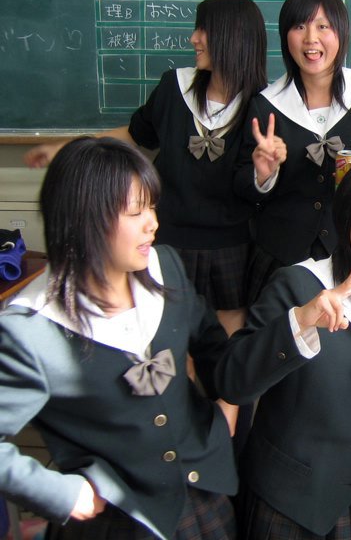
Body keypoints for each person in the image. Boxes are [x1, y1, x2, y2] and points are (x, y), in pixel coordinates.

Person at [0, 137, 237, 539]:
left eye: (152, 207)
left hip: (204, 492)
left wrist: (228, 402)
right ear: (85, 219)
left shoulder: (166, 269)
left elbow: (213, 344)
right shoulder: (31, 329)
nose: (153, 223)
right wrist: (58, 492)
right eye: (135, 211)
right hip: (121, 518)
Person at [24, 0, 268, 337]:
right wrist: (70, 147)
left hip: (230, 241)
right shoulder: (174, 87)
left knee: (227, 323)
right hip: (166, 235)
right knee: (167, 321)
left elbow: (254, 186)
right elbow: (134, 134)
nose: (193, 38)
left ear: (232, 36)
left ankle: (221, 391)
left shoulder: (264, 104)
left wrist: (267, 168)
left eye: (203, 29)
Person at [216, 156, 351, 539]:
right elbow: (233, 381)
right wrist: (298, 322)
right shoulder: (296, 286)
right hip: (291, 506)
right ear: (346, 219)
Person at [236, 0, 351, 303]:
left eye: (323, 26)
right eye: (299, 26)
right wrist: (263, 174)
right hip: (281, 255)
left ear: (341, 33)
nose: (311, 38)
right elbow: (240, 186)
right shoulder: (265, 105)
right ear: (286, 37)